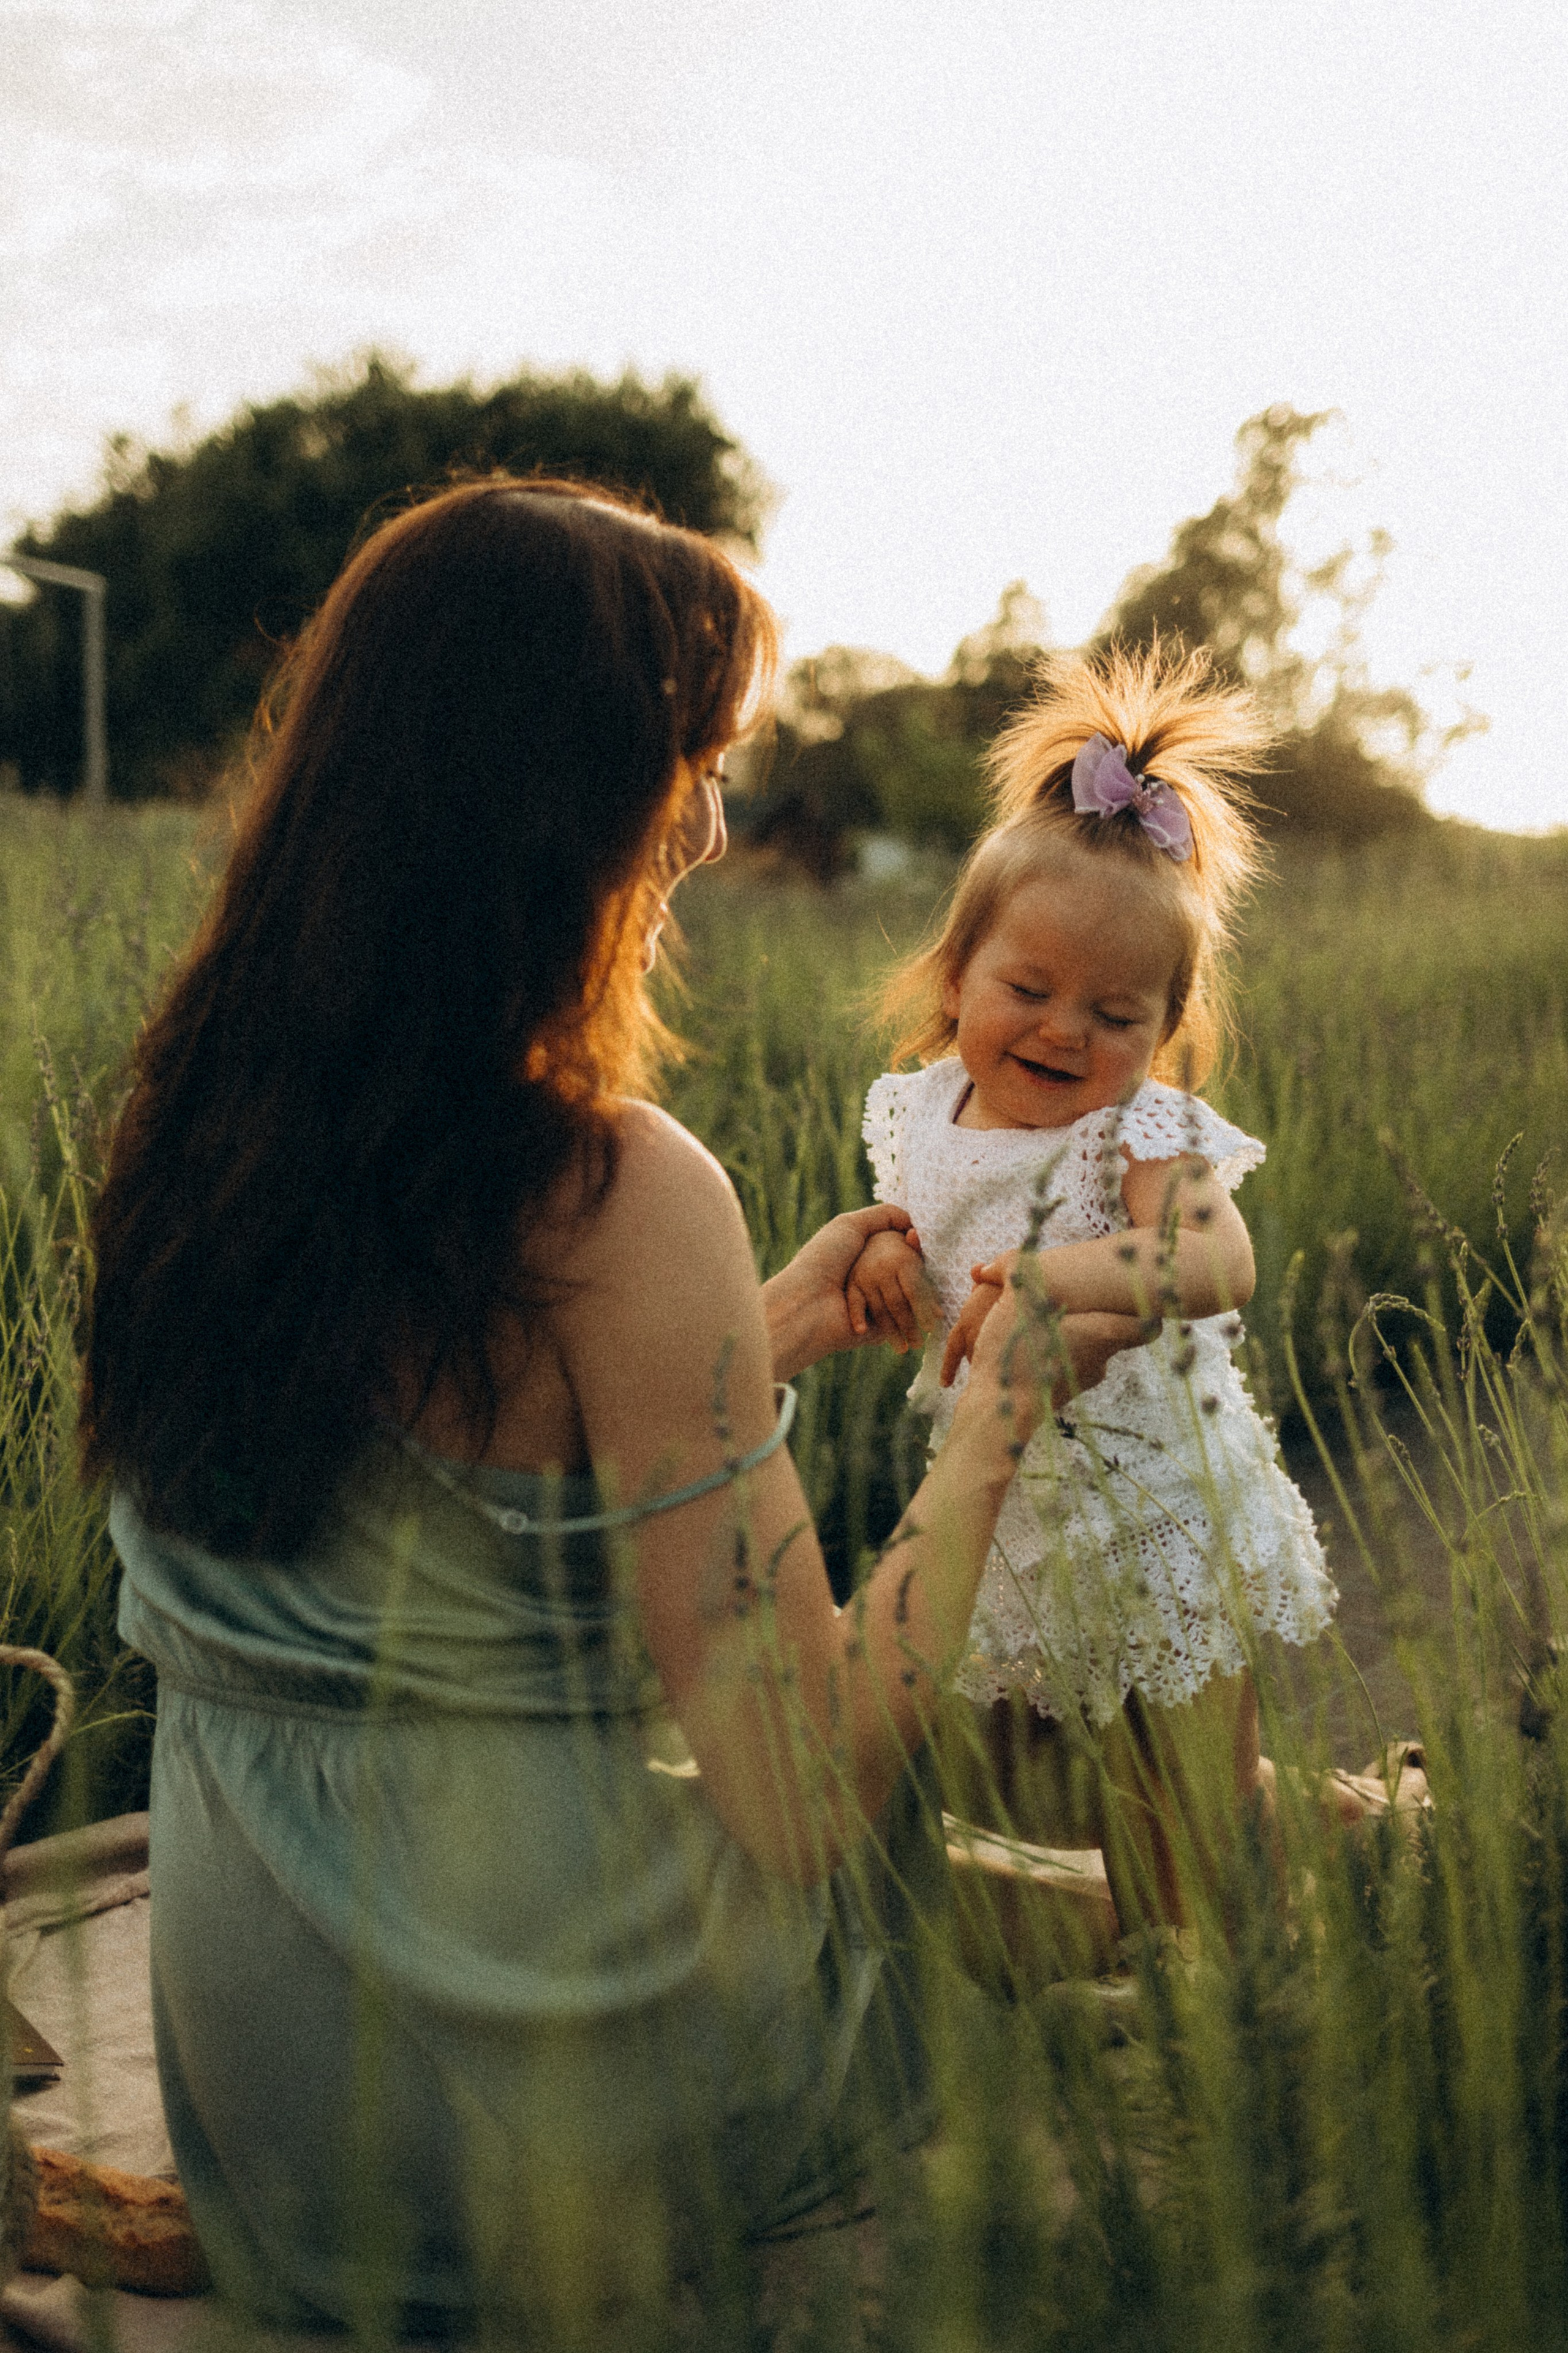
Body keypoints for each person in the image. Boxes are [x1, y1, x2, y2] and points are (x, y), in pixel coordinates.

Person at [79, 480, 1131, 2340]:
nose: (715, 824)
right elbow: (795, 1795)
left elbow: (412, 1524)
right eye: (693, 764)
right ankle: (1213, 1878)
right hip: (517, 2092)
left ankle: (1124, 1880)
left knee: (877, 1841)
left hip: (270, 2085)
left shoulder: (192, 1135)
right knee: (878, 1873)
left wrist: (764, 1334)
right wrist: (996, 1428)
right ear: (555, 803)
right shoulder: (618, 1197)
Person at [843, 647, 1340, 1933]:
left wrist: (1059, 1271)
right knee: (1073, 1783)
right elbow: (915, 1219)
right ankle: (1350, 1826)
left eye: (1114, 1013)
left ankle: (1219, 1989)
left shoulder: (1139, 1134)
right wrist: (887, 1252)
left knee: (1185, 1804)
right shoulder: (919, 1109)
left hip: (1161, 1503)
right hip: (1019, 1500)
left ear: (1163, 1030)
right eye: (1028, 990)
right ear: (956, 978)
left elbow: (1214, 1258)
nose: (1065, 1031)